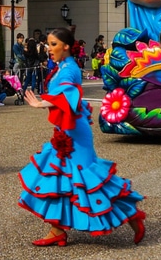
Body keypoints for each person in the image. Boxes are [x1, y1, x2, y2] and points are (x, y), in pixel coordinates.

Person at [18, 28, 145, 247]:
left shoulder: (69, 69)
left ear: (66, 46)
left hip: (74, 132)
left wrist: (41, 103)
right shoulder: (61, 67)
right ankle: (56, 229)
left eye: (54, 44)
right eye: (48, 44)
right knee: (59, 176)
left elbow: (67, 95)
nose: (49, 48)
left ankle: (131, 215)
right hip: (64, 129)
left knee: (88, 179)